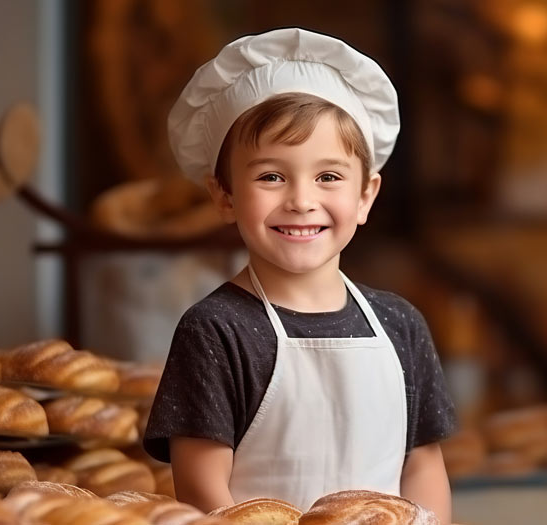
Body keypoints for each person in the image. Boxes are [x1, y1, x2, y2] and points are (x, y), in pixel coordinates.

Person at [143, 27, 457, 523]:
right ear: (224, 197)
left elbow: (421, 464)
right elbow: (201, 485)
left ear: (365, 196)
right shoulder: (215, 330)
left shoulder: (401, 324)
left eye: (328, 176)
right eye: (271, 176)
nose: (301, 200)